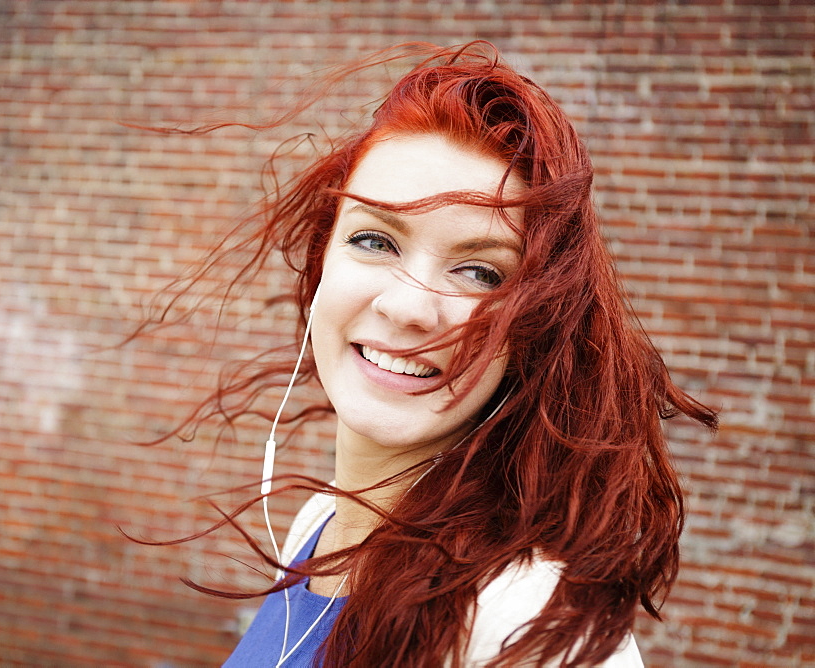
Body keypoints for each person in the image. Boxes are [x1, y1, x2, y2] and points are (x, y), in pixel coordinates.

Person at [140, 42, 717, 667]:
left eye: (480, 272)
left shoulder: (526, 623)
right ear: (320, 265)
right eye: (374, 239)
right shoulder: (317, 526)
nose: (411, 308)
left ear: (533, 328)